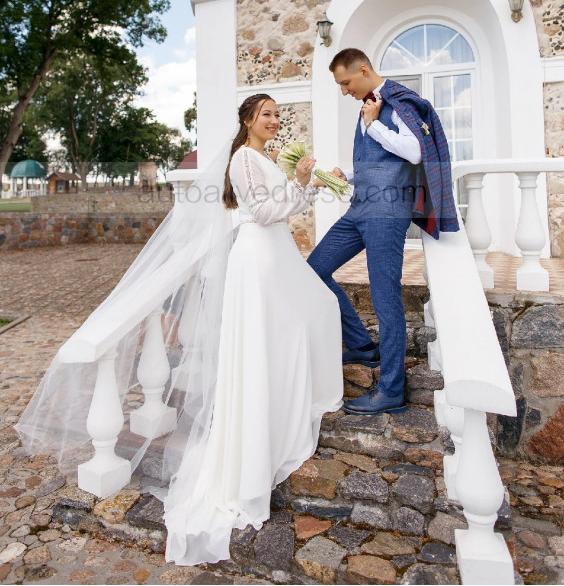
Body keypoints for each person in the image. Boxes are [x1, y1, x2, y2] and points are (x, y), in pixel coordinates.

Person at [17, 93, 343, 568]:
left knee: (317, 311)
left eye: (277, 114)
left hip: (279, 257)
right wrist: (298, 181)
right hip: (259, 259)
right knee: (292, 325)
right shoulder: (242, 160)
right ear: (248, 120)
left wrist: (312, 185)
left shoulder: (264, 158)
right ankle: (263, 424)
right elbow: (266, 212)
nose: (274, 120)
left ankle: (293, 402)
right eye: (266, 114)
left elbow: (285, 205)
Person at [308, 48, 459, 417]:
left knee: (385, 299)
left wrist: (375, 123)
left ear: (363, 70)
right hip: (359, 208)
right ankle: (361, 344)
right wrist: (348, 173)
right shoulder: (368, 106)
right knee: (311, 271)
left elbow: (415, 153)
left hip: (388, 213)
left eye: (346, 82)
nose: (344, 91)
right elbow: (380, 161)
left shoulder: (397, 102)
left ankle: (391, 389)